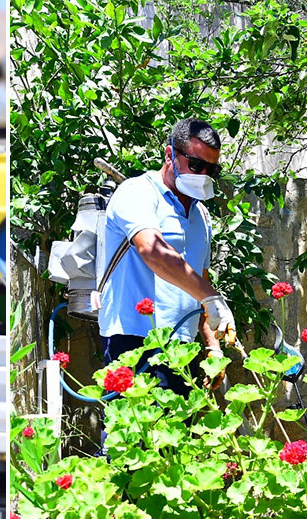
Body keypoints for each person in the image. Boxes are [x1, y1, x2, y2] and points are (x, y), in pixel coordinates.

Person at [99, 118, 237, 395]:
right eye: (197, 164)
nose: (204, 174)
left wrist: (213, 347)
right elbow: (153, 250)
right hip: (133, 341)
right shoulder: (137, 192)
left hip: (181, 349)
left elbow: (199, 282)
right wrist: (212, 297)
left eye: (212, 168)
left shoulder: (201, 215)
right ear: (169, 154)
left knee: (178, 435)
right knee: (130, 434)